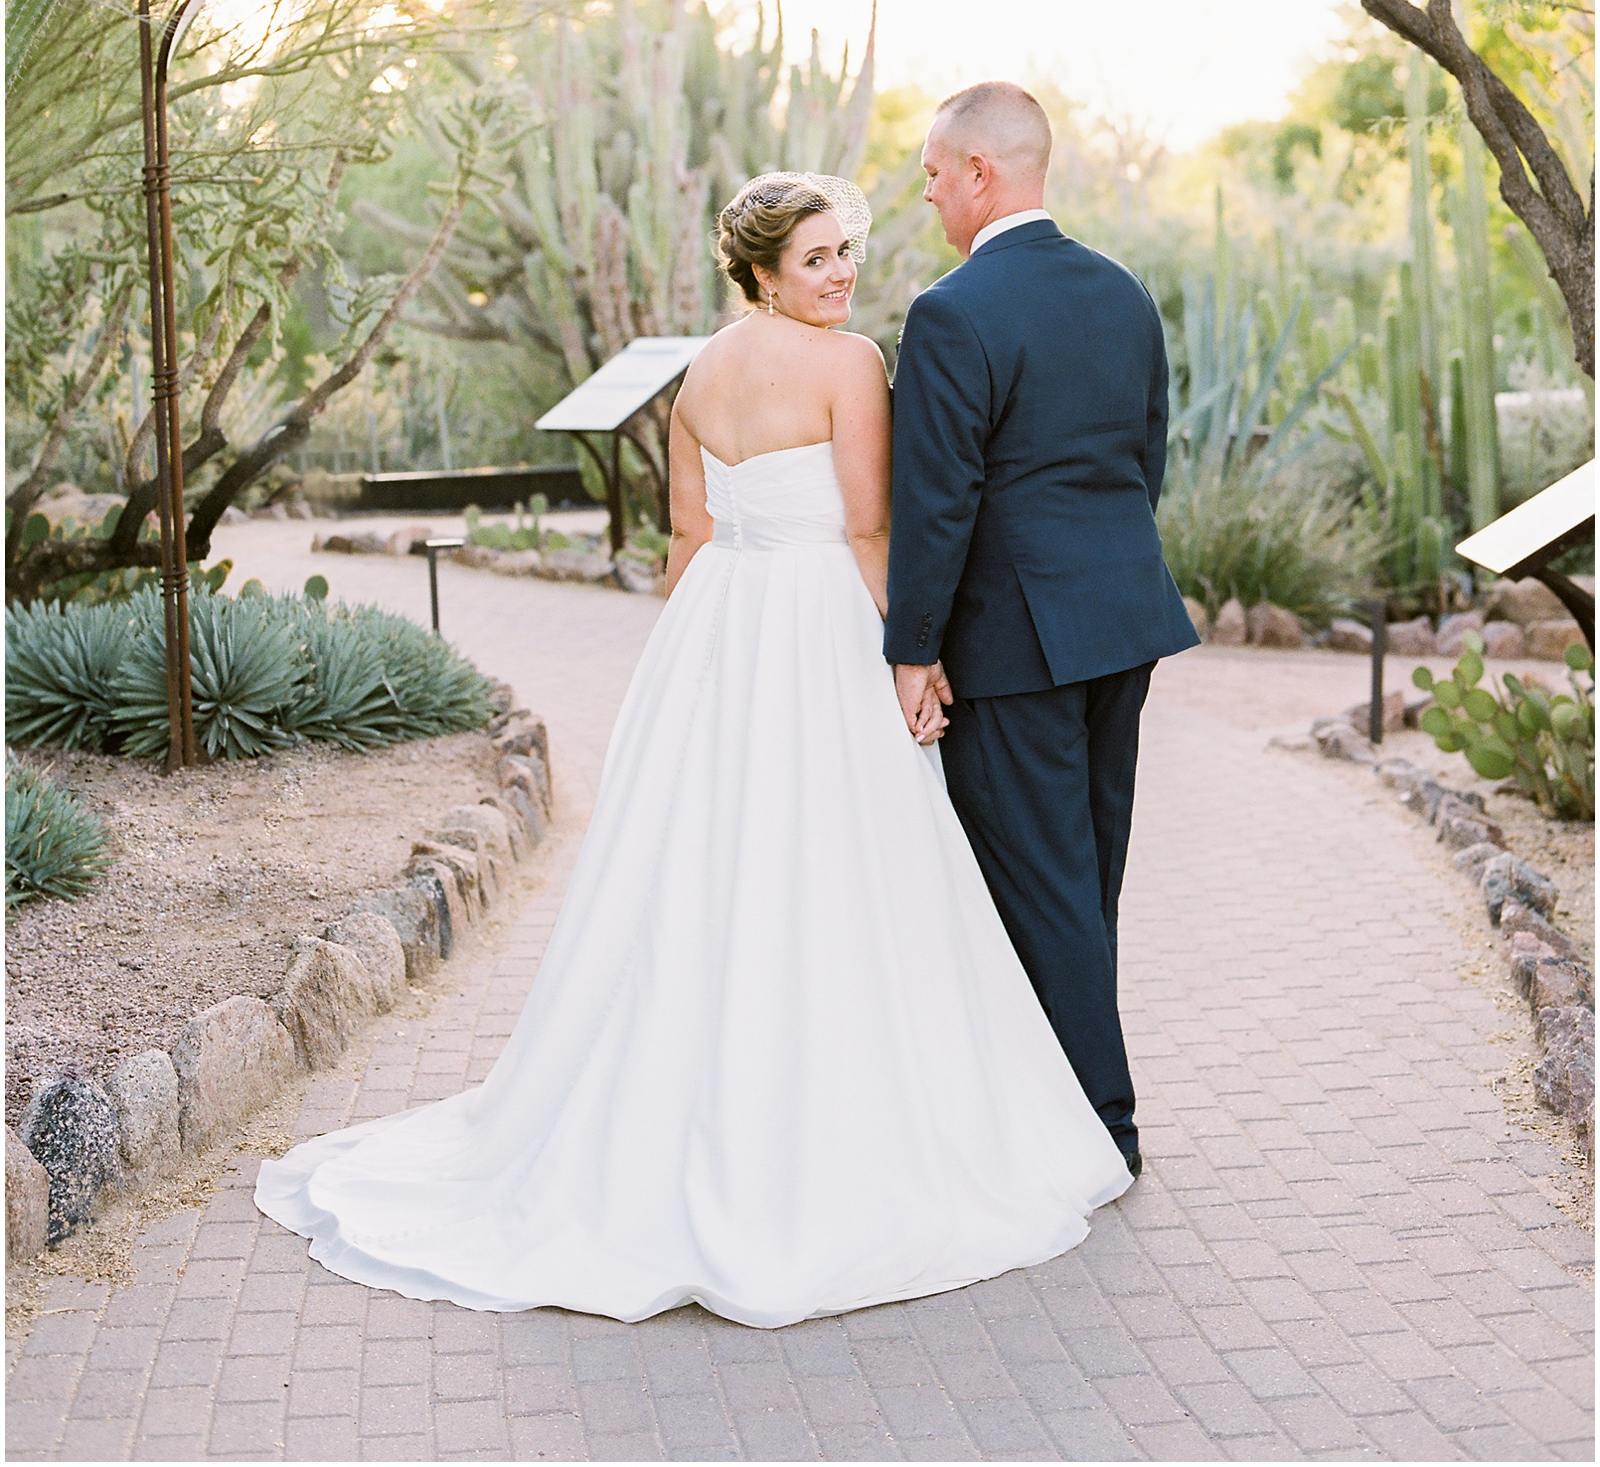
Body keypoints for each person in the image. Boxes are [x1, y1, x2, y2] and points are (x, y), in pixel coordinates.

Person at [255, 171, 1131, 1328]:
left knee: (708, 865)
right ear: (763, 269)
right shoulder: (851, 363)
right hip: (818, 617)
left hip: (720, 620)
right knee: (842, 865)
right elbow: (871, 524)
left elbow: (688, 534)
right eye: (816, 257)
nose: (841, 273)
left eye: (845, 252)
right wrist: (909, 658)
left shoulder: (702, 370)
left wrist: (695, 672)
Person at [884, 83, 1199, 1180]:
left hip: (1013, 644)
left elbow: (937, 503)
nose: (923, 192)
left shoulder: (950, 312)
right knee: (1086, 873)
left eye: (931, 171)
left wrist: (910, 651)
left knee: (1042, 884)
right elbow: (1145, 459)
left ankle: (1097, 1128)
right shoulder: (1122, 293)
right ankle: (1059, 1101)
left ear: (979, 171)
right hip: (1121, 622)